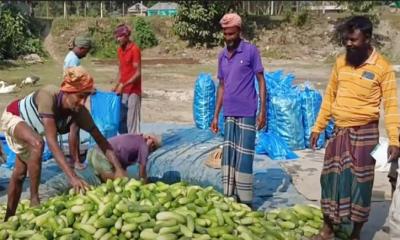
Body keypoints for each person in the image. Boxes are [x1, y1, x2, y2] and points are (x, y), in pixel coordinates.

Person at [310, 16, 400, 240]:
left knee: (361, 184)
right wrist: (318, 127)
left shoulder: (383, 68)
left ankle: (355, 233)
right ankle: (328, 229)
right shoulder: (340, 63)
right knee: (329, 180)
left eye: (353, 40)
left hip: (365, 134)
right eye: (346, 40)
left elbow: (391, 106)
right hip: (339, 132)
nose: (348, 44)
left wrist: (395, 140)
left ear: (367, 38)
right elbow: (329, 97)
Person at [0, 66, 126, 220]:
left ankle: (8, 219)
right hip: (14, 117)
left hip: (32, 130)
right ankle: (34, 199)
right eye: (79, 96)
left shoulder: (79, 112)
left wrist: (118, 169)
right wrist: (72, 177)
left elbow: (101, 140)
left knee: (19, 175)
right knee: (39, 144)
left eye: (85, 97)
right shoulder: (48, 96)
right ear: (68, 92)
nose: (82, 102)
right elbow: (52, 142)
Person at [210, 13, 266, 207]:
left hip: (247, 111)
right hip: (229, 113)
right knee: (229, 156)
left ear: (239, 32)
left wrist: (263, 111)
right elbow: (222, 86)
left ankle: (245, 200)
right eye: (225, 34)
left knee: (244, 157)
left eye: (231, 34)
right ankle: (229, 197)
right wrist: (216, 115)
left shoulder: (250, 51)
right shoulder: (222, 56)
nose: (228, 38)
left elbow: (261, 80)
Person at [63, 35, 92, 170]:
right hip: (73, 98)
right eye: (85, 51)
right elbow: (76, 80)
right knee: (74, 128)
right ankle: (75, 161)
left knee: (75, 128)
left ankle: (75, 158)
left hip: (72, 96)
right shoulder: (73, 60)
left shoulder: (71, 57)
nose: (85, 54)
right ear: (81, 48)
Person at [85, 133, 160, 183]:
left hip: (93, 152)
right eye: (153, 145)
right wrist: (145, 185)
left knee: (107, 183)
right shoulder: (143, 144)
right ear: (149, 138)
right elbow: (142, 172)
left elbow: (122, 164)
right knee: (118, 182)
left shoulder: (134, 139)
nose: (152, 148)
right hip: (101, 154)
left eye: (154, 148)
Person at [112, 24, 142, 134]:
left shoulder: (134, 50)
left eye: (119, 37)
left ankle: (134, 145)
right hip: (122, 90)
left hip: (133, 91)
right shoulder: (120, 50)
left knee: (131, 121)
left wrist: (123, 85)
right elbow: (121, 69)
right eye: (116, 37)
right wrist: (116, 85)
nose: (118, 39)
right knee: (120, 120)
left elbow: (137, 73)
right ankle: (125, 143)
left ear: (126, 36)